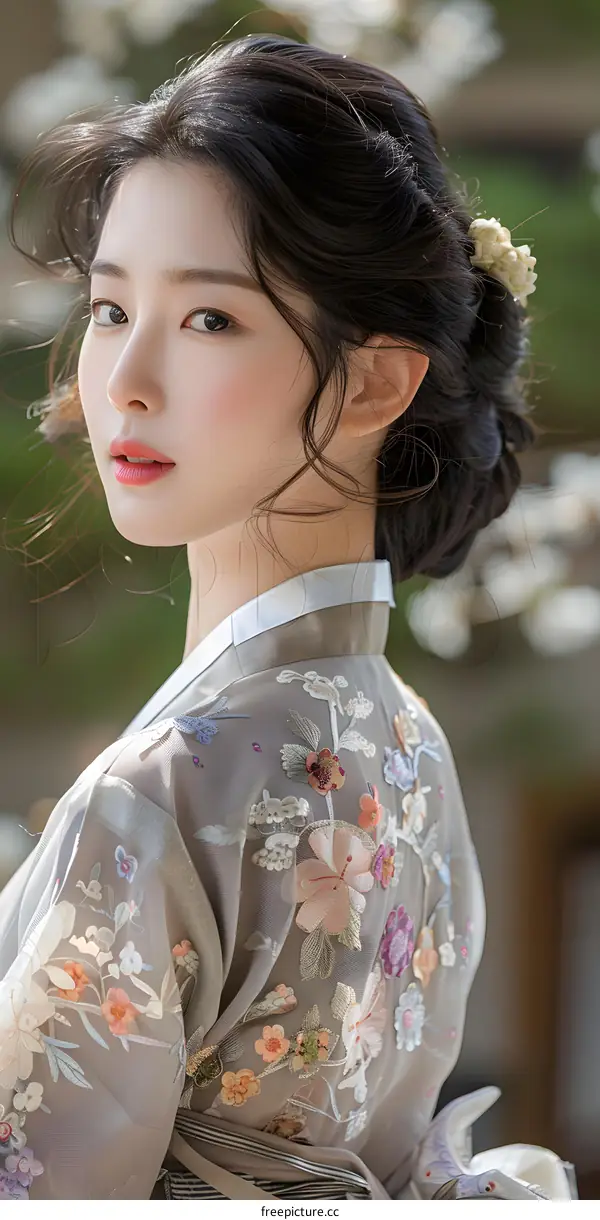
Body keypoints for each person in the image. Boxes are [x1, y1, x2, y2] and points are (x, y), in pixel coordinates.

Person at [0, 34, 544, 1200]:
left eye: (209, 320)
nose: (127, 379)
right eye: (107, 309)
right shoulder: (406, 744)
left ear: (372, 382)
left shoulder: (158, 790)